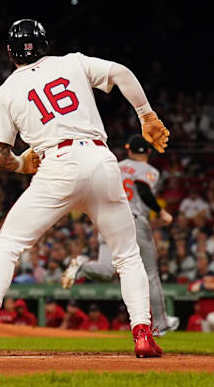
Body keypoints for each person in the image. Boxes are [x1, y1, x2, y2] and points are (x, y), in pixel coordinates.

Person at [0, 19, 168, 358]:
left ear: (10, 52)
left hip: (58, 163)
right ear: (44, 44)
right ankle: (142, 333)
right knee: (127, 255)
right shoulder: (72, 61)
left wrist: (23, 163)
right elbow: (122, 72)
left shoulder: (6, 91)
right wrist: (146, 115)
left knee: (9, 243)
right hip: (101, 159)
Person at [62, 135, 179, 334]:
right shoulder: (149, 170)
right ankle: (160, 323)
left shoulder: (114, 165)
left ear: (128, 149)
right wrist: (161, 212)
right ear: (148, 152)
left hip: (107, 220)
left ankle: (82, 264)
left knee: (108, 271)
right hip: (133, 221)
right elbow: (142, 189)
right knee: (150, 274)